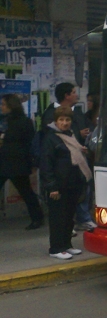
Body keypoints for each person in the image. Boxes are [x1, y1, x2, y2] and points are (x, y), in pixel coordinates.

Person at [40, 106, 93, 260]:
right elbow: (46, 164)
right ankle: (55, 247)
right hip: (58, 185)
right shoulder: (50, 138)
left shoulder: (71, 135)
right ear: (55, 121)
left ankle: (66, 245)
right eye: (61, 120)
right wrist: (52, 187)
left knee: (69, 216)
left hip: (72, 183)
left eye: (67, 120)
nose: (64, 123)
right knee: (58, 217)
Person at [0, 94, 45, 230]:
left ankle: (37, 218)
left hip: (16, 162)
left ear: (10, 106)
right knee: (26, 191)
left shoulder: (23, 122)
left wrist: (32, 163)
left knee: (26, 191)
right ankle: (37, 218)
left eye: (3, 104)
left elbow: (30, 143)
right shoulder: (4, 120)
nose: (1, 107)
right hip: (5, 161)